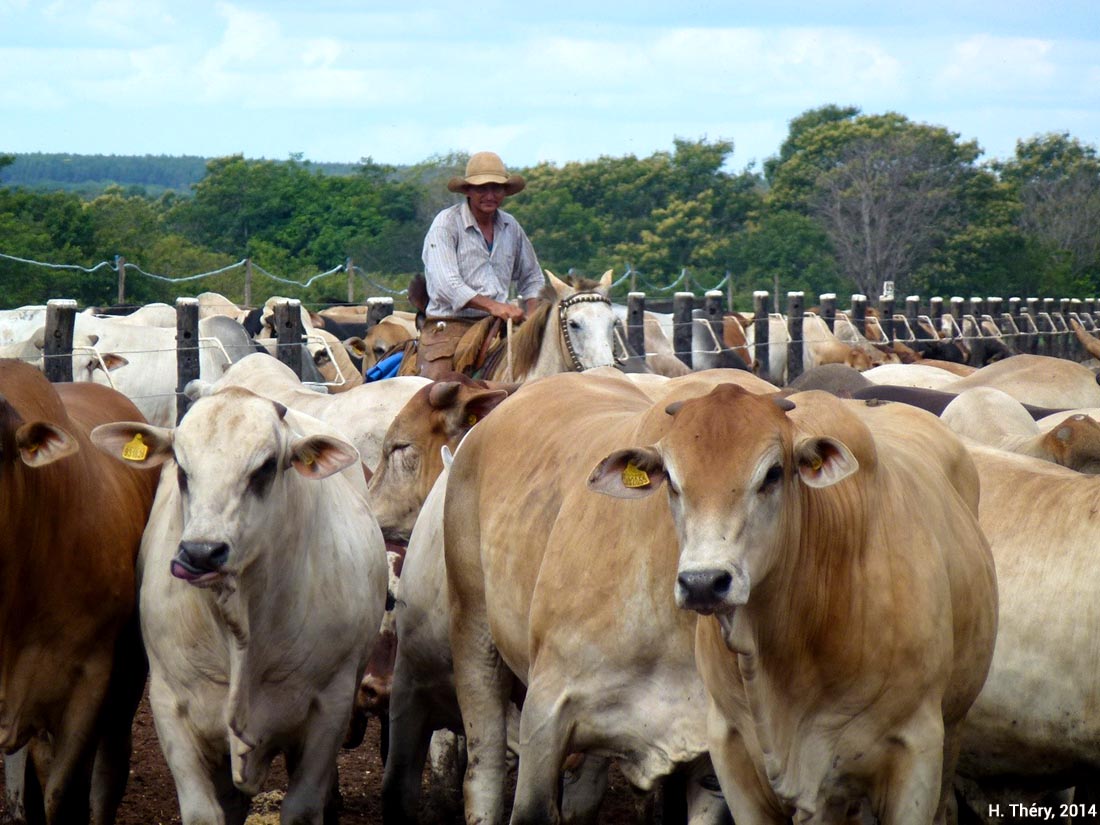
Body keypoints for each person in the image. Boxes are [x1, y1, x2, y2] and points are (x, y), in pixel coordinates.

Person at [417, 151, 544, 379]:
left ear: (505, 192)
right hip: (451, 326)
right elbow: (447, 284)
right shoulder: (446, 224)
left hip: (500, 327)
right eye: (481, 189)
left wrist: (533, 317)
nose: (490, 195)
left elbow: (532, 276)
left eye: (496, 189)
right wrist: (493, 306)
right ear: (468, 191)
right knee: (438, 391)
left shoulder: (511, 226)